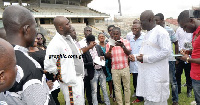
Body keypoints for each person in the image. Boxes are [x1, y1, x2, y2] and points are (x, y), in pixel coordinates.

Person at [0, 5, 51, 105]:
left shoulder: (2, 55)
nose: (36, 32)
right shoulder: (30, 67)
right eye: (35, 27)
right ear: (26, 29)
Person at [44, 16, 85, 105]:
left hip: (78, 78)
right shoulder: (55, 43)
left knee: (80, 102)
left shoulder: (69, 39)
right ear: (60, 27)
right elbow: (49, 65)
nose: (70, 25)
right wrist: (63, 76)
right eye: (67, 24)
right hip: (69, 81)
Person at [135, 10, 171, 105]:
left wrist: (146, 58)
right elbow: (149, 51)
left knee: (158, 100)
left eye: (142, 22)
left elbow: (166, 51)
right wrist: (138, 57)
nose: (140, 24)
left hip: (157, 76)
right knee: (149, 99)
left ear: (150, 20)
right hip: (147, 75)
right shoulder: (148, 33)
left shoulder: (161, 32)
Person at [155, 13, 179, 105]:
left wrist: (176, 57)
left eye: (157, 20)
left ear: (162, 20)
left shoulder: (169, 30)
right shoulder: (154, 31)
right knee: (160, 80)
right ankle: (161, 98)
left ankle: (175, 100)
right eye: (154, 20)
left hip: (169, 60)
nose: (155, 22)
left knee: (172, 81)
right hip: (158, 60)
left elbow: (176, 43)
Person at [28, 36, 60, 105]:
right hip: (41, 83)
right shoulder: (26, 54)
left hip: (52, 81)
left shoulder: (42, 49)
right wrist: (47, 71)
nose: (36, 40)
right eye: (35, 38)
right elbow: (31, 71)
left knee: (55, 100)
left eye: (37, 38)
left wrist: (55, 72)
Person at [178, 10, 200, 105]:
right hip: (195, 75)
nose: (184, 30)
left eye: (184, 27)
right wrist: (189, 52)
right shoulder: (196, 33)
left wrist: (187, 59)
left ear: (191, 21)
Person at [105, 27, 131, 105]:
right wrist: (110, 49)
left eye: (117, 34)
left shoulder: (125, 41)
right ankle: (120, 103)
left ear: (120, 34)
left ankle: (127, 103)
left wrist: (122, 46)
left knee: (126, 87)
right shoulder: (109, 43)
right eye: (114, 34)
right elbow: (107, 56)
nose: (115, 36)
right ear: (111, 34)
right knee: (117, 88)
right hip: (115, 69)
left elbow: (129, 53)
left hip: (125, 67)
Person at [82, 34, 110, 105]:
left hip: (101, 70)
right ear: (88, 42)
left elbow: (103, 56)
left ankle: (107, 103)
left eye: (93, 41)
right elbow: (84, 64)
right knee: (94, 90)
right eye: (91, 42)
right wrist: (93, 63)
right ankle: (95, 103)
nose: (93, 43)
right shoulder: (85, 50)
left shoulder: (98, 47)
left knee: (104, 89)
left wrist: (103, 57)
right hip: (93, 72)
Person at [78, 26, 103, 105]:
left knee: (96, 85)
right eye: (87, 31)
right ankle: (86, 101)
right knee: (86, 86)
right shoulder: (81, 43)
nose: (88, 32)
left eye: (90, 30)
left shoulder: (96, 42)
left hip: (96, 68)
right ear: (84, 32)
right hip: (86, 68)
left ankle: (97, 99)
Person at [128, 23, 144, 103]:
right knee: (135, 81)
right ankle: (139, 97)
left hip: (141, 63)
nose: (134, 30)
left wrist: (136, 57)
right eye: (133, 28)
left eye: (136, 28)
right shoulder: (131, 39)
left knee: (143, 81)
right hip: (133, 64)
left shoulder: (144, 38)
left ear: (140, 29)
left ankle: (144, 96)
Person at [175, 26, 193, 97]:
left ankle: (189, 91)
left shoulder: (191, 29)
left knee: (188, 74)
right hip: (180, 54)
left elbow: (192, 41)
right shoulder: (179, 29)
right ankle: (178, 90)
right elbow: (177, 41)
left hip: (189, 55)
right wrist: (180, 50)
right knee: (178, 73)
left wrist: (187, 51)